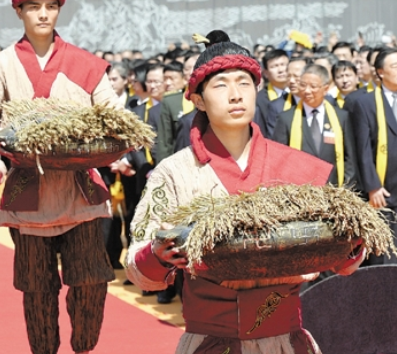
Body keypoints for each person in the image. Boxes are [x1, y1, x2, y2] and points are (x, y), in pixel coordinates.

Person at [126, 30, 365, 354]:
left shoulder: (295, 167)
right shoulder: (174, 173)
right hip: (211, 341)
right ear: (196, 99)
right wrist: (159, 255)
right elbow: (139, 270)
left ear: (258, 89)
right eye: (221, 85)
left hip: (286, 341)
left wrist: (350, 245)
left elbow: (343, 263)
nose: (235, 94)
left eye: (244, 83)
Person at [0, 0, 118, 354]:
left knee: (91, 281)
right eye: (34, 7)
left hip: (81, 192)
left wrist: (120, 135)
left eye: (51, 6)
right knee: (37, 290)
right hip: (28, 195)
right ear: (19, 11)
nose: (43, 14)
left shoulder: (86, 63)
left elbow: (113, 113)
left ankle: (83, 348)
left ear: (59, 9)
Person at [272, 64, 359, 189]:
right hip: (300, 192)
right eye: (303, 85)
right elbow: (279, 159)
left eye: (313, 87)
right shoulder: (286, 118)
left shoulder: (341, 117)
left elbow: (350, 159)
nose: (307, 91)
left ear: (325, 89)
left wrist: (345, 191)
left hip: (334, 191)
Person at [349, 47, 397, 266]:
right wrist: (373, 186)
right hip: (383, 191)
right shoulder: (365, 103)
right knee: (385, 258)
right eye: (394, 66)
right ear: (380, 72)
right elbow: (363, 149)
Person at [157, 52, 200, 163]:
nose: (191, 71)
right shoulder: (171, 101)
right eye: (187, 69)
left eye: (196, 67)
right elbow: (165, 143)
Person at [253, 49, 291, 138]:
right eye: (274, 66)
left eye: (283, 65)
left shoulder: (299, 93)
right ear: (265, 73)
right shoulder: (260, 99)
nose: (281, 70)